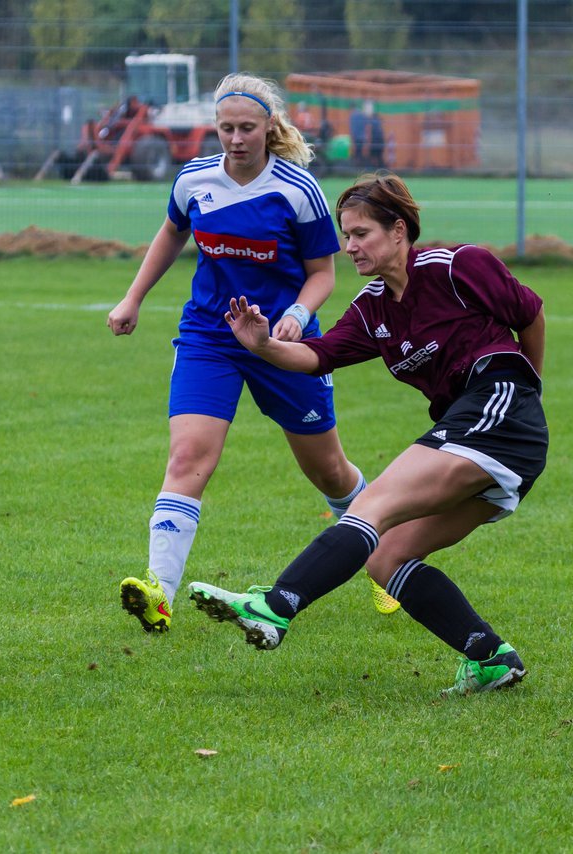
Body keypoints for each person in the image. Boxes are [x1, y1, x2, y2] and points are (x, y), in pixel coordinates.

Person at [186, 172, 548, 697]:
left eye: (361, 234)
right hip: (476, 425)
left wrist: (525, 387)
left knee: (370, 505)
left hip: (498, 409)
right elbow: (317, 356)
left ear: (398, 230)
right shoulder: (371, 307)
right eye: (346, 235)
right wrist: (262, 346)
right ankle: (490, 657)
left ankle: (276, 606)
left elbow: (530, 314)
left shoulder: (458, 265)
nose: (349, 246)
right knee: (386, 556)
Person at [107, 73, 399, 634]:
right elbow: (172, 234)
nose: (235, 139)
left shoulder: (297, 189)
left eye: (246, 127)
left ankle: (384, 562)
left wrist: (294, 317)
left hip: (279, 343)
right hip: (211, 337)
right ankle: (158, 591)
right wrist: (133, 297)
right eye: (225, 128)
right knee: (188, 458)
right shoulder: (195, 178)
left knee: (331, 474)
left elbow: (321, 274)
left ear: (270, 127)